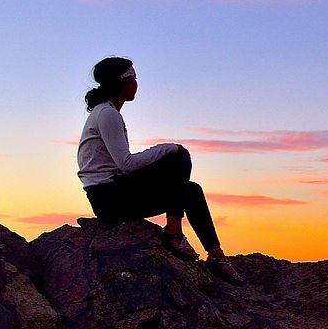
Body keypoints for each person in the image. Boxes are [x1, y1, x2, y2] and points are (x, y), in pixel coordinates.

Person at [77, 56, 244, 285]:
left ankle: (216, 256)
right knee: (179, 156)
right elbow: (126, 164)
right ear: (123, 82)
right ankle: (174, 233)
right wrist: (166, 148)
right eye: (134, 78)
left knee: (191, 191)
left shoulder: (105, 112)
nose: (137, 83)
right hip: (109, 197)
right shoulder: (107, 114)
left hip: (111, 192)